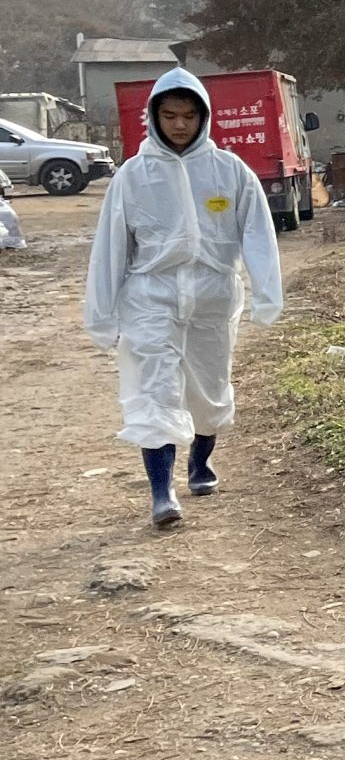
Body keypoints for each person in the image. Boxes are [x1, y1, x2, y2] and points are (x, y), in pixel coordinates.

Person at [83, 68, 283, 529]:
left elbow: (257, 234)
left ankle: (201, 461)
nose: (179, 125)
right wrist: (102, 314)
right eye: (169, 115)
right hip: (151, 295)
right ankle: (161, 492)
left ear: (203, 117)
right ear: (154, 117)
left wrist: (266, 294)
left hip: (213, 296)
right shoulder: (133, 176)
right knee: (154, 390)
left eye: (188, 116)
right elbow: (111, 247)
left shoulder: (230, 171)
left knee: (208, 394)